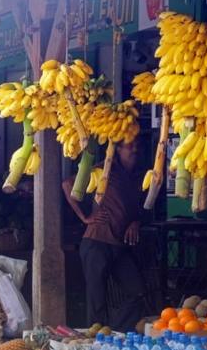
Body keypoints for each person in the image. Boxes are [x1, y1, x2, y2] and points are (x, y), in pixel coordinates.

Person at [62, 140, 146, 332]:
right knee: (96, 298)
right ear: (117, 149)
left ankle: (114, 330)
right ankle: (96, 340)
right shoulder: (105, 170)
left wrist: (136, 222)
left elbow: (137, 208)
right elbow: (68, 184)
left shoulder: (138, 176)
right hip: (96, 242)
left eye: (135, 145)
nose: (134, 148)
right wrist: (85, 217)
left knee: (137, 291)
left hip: (120, 245)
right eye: (129, 145)